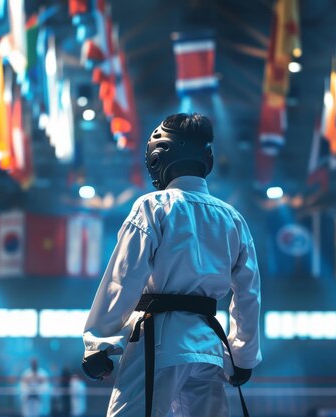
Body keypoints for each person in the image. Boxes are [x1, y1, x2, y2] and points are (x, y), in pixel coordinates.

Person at [81, 113, 262, 417]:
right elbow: (248, 294)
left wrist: (99, 343)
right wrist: (242, 355)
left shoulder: (153, 206)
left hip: (159, 343)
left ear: (159, 157)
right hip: (209, 350)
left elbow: (124, 278)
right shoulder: (232, 217)